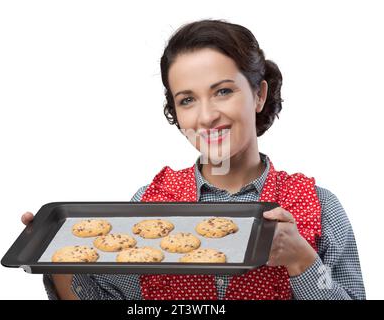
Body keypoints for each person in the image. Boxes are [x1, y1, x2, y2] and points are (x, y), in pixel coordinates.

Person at [21, 19, 365, 300]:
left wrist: (303, 262)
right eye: (187, 100)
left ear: (258, 94)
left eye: (223, 91)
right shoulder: (147, 207)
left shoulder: (319, 207)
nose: (206, 116)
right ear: (175, 111)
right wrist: (56, 257)